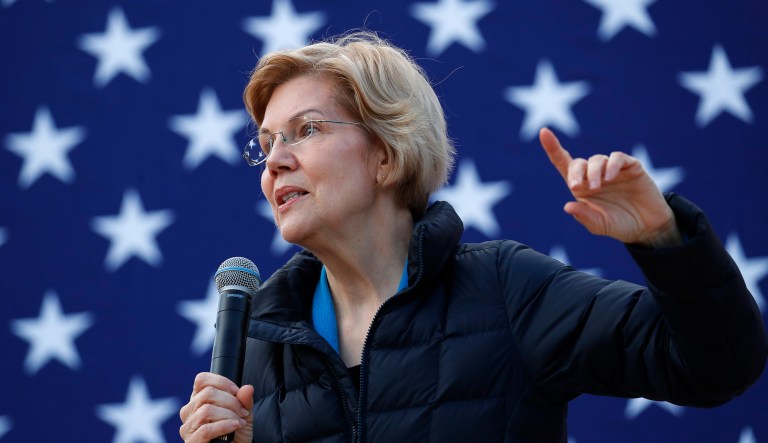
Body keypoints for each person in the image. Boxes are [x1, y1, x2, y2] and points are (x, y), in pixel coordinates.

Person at [179, 32, 767, 443]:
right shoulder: (262, 346)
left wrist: (664, 240)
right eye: (267, 141)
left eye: (304, 131)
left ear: (386, 155)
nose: (274, 161)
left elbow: (718, 366)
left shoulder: (506, 290)